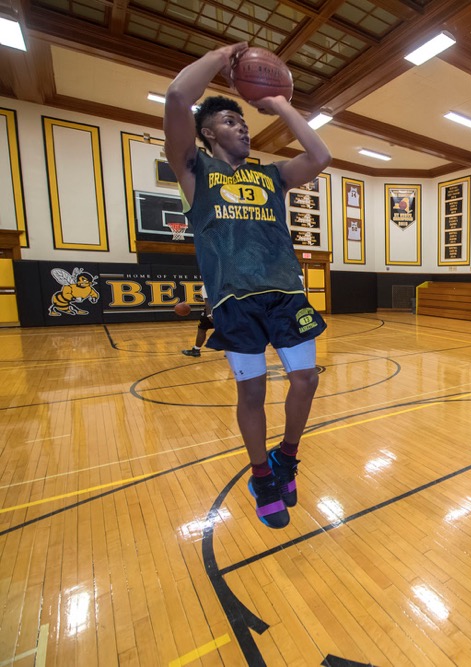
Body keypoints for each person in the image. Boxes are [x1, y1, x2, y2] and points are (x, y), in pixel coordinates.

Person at [164, 43, 332, 529]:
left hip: (284, 289)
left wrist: (280, 104)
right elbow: (177, 96)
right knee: (253, 394)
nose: (242, 128)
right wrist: (221, 58)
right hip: (234, 298)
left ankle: (287, 456)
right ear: (207, 133)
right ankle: (261, 476)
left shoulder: (272, 176)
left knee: (307, 378)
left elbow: (320, 155)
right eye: (231, 123)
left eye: (245, 123)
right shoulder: (195, 172)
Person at [182, 287, 214, 357]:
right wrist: (202, 300)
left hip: (212, 311)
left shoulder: (206, 285)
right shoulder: (222, 281)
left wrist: (209, 314)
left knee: (202, 329)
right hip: (224, 310)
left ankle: (196, 350)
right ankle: (232, 351)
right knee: (226, 330)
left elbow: (208, 301)